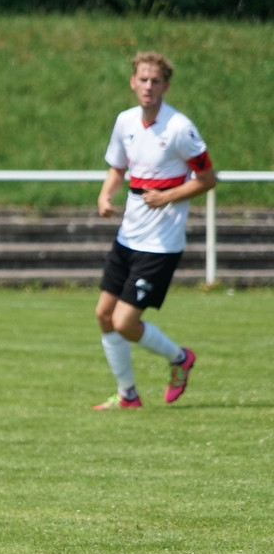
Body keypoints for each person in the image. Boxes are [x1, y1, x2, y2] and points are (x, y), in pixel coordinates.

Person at [91, 51, 216, 410]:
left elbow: (208, 178)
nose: (148, 86)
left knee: (123, 321)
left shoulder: (179, 129)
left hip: (160, 245)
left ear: (165, 86)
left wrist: (168, 196)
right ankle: (127, 395)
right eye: (143, 79)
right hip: (127, 237)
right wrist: (105, 195)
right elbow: (117, 168)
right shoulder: (125, 122)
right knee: (103, 315)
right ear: (133, 82)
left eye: (155, 81)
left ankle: (180, 358)